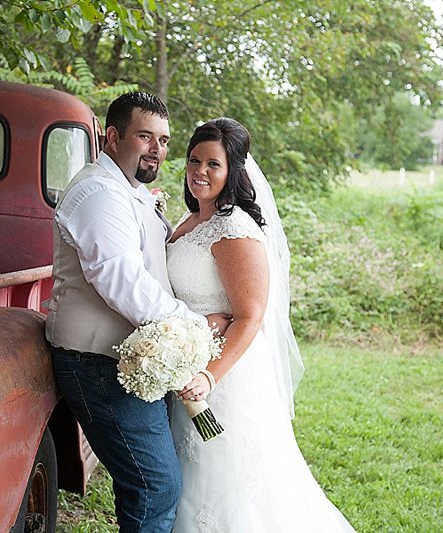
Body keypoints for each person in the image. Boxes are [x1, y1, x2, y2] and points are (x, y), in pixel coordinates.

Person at [45, 92, 229, 533]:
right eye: (145, 136)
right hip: (98, 363)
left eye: (164, 140)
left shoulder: (131, 191)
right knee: (156, 485)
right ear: (113, 136)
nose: (157, 150)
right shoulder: (97, 193)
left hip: (132, 357)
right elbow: (121, 280)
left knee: (143, 482)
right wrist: (192, 326)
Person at [167, 118, 357, 532]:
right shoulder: (189, 221)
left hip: (223, 377)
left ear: (232, 171)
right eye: (194, 160)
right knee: (189, 483)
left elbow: (251, 315)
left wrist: (209, 377)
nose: (199, 171)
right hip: (186, 362)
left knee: (230, 487)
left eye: (213, 164)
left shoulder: (234, 230)